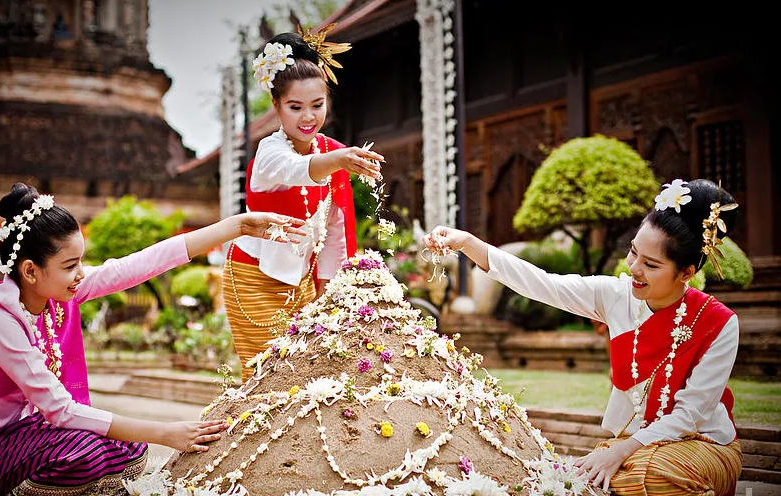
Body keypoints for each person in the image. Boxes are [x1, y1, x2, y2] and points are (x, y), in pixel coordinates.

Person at [0, 183, 306, 496]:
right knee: (83, 453)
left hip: (5, 439)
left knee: (126, 449)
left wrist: (235, 226)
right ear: (31, 271)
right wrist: (167, 433)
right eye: (70, 265)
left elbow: (138, 265)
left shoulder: (56, 292)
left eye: (81, 261)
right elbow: (61, 412)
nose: (81, 273)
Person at [423, 178, 742, 496]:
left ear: (686, 272)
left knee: (653, 478)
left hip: (699, 442)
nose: (634, 268)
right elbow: (544, 284)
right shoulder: (617, 295)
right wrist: (467, 243)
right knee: (592, 480)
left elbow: (690, 414)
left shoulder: (720, 323)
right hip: (634, 444)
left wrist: (619, 451)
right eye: (633, 253)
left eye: (651, 264)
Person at [225, 27, 384, 380]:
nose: (308, 117)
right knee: (266, 381)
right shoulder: (271, 152)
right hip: (253, 277)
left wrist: (327, 298)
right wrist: (340, 159)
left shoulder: (329, 150)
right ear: (276, 105)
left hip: (303, 284)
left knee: (307, 379)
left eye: (317, 105)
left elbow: (334, 232)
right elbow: (297, 170)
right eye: (295, 107)